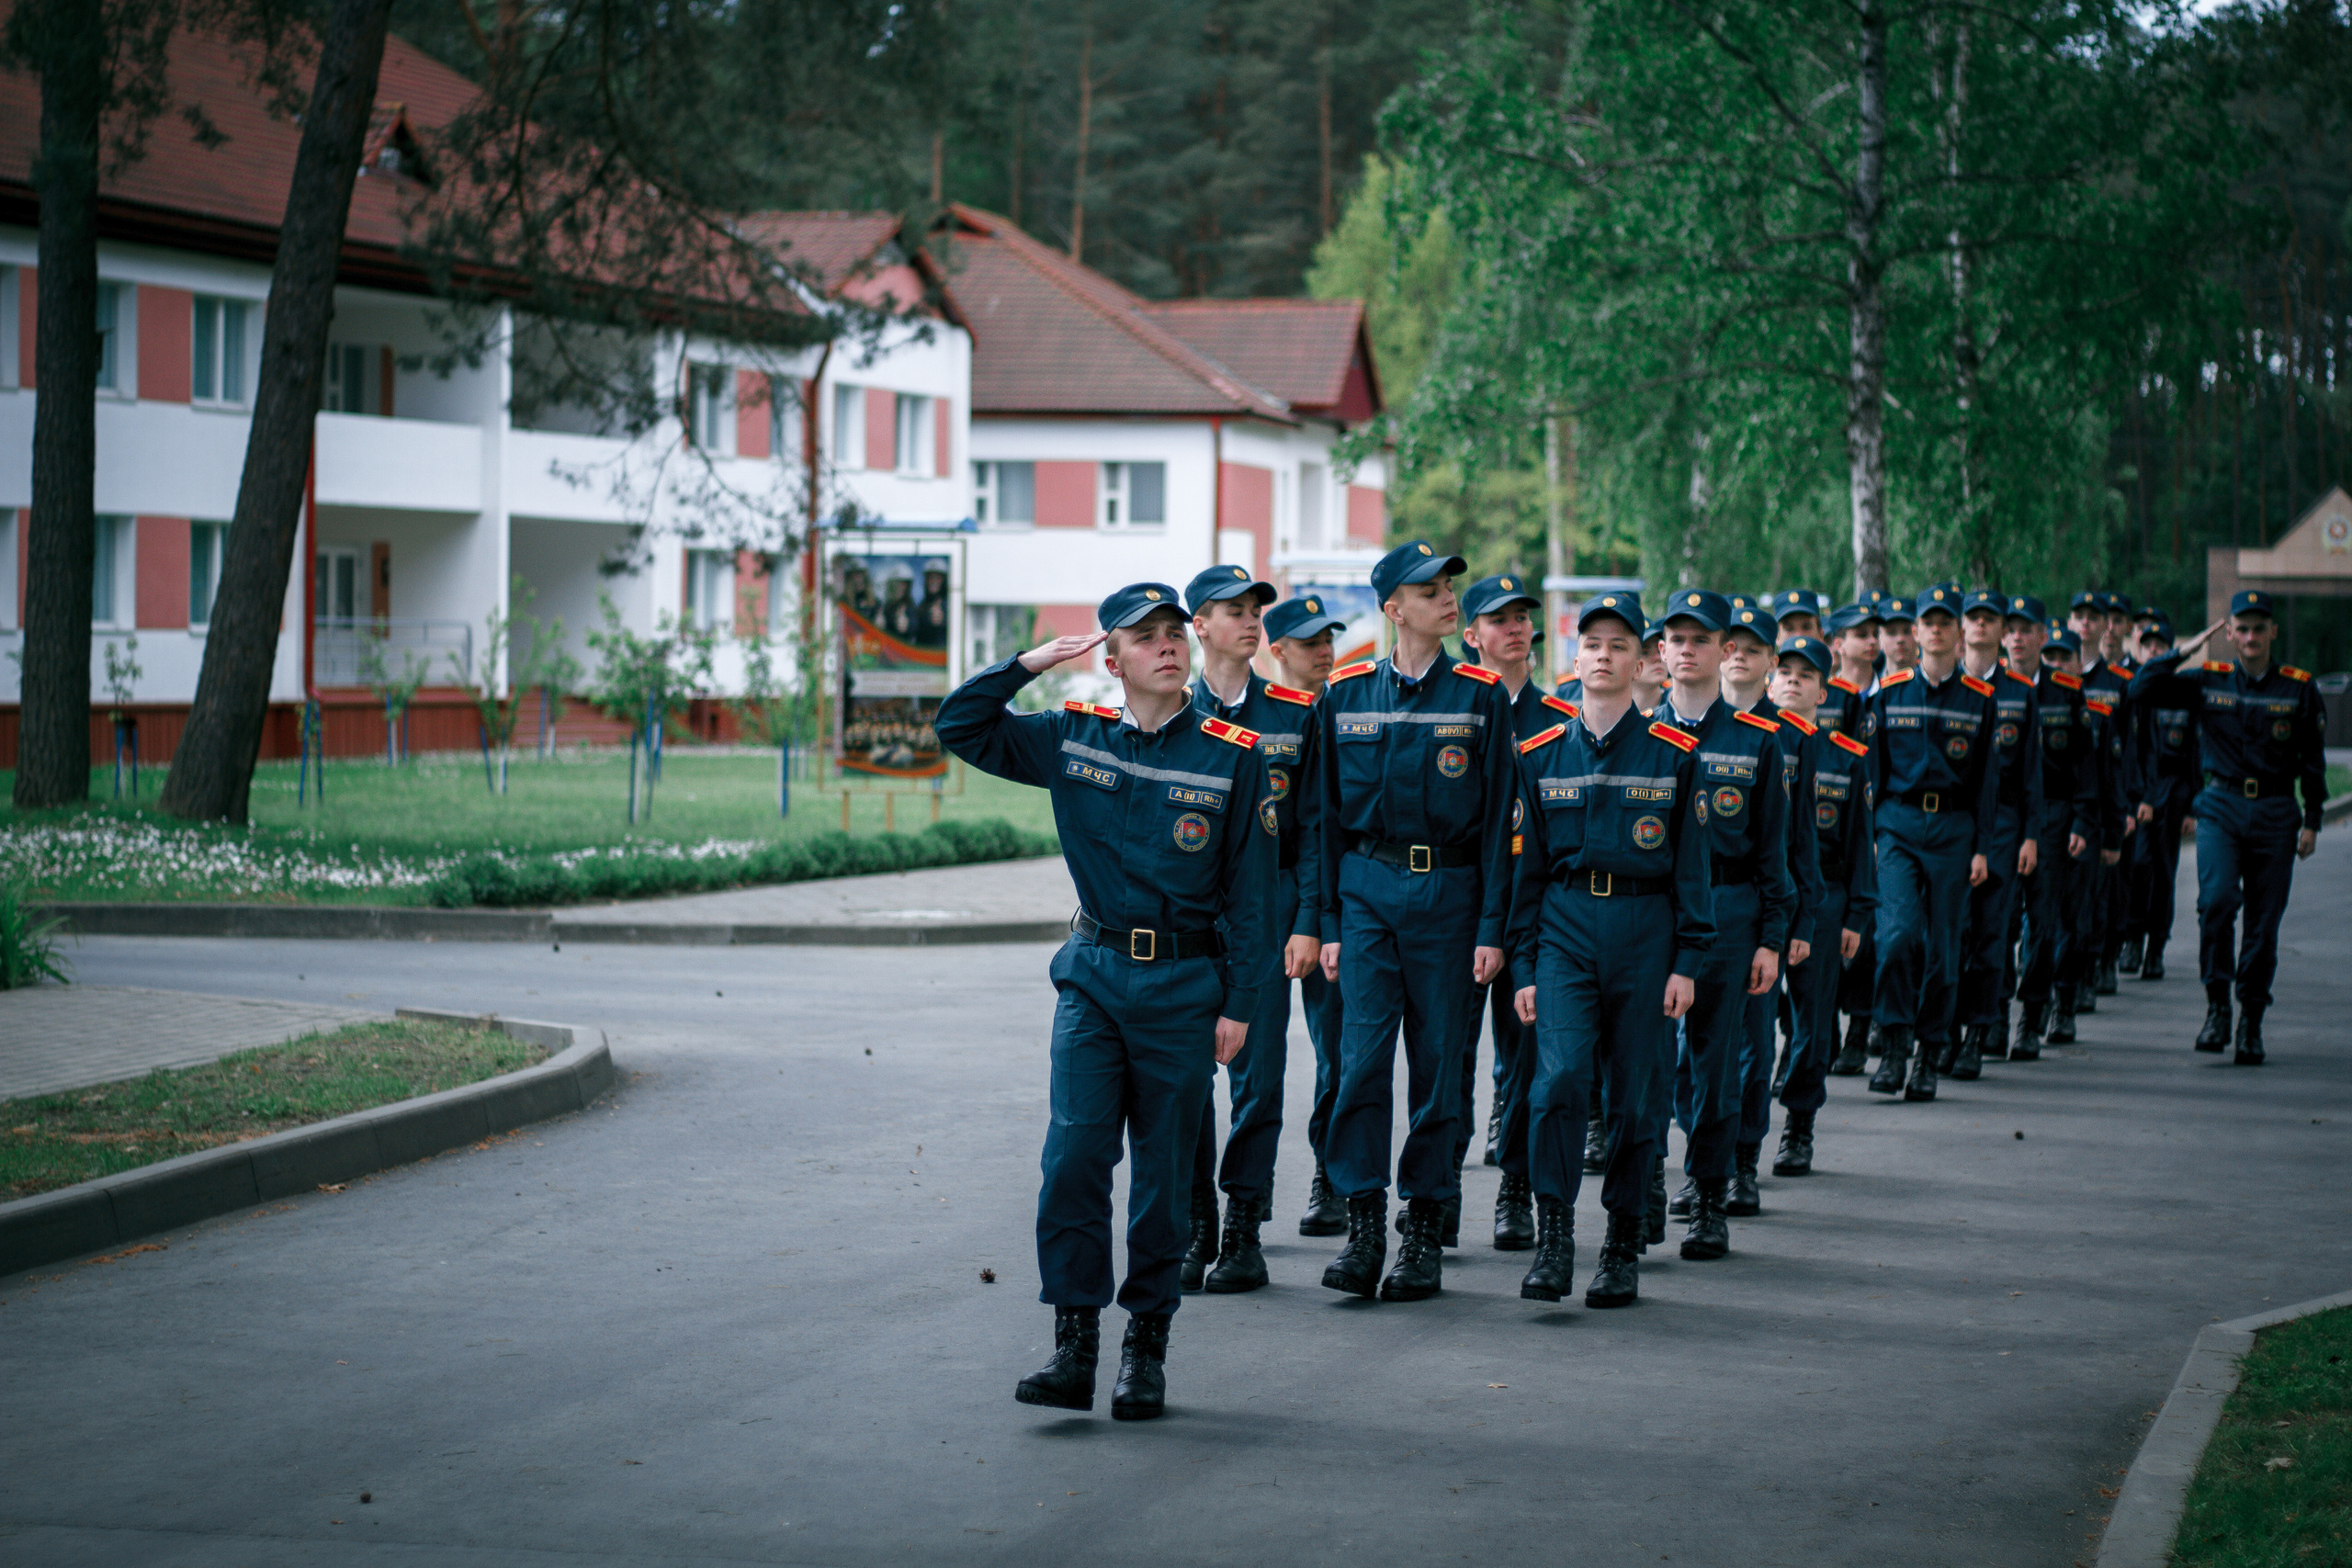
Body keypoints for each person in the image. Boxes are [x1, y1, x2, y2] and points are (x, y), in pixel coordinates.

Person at [936, 582, 1275, 1421]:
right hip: (1092, 975)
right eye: (1144, 636)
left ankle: (1144, 1353)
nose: (1166, 646)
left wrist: (1238, 1005)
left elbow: (1254, 899)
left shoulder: (1233, 754)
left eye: (1174, 633)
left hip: (1184, 990)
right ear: (1113, 655)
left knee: (1162, 1180)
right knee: (1074, 1161)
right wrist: (1024, 665)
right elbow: (960, 726)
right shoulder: (1072, 736)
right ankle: (1073, 1345)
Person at [1310, 541, 1517, 1302]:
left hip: (1452, 898)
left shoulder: (1479, 695)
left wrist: (1493, 926)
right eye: (1428, 589)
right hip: (1365, 896)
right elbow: (1323, 821)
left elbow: (1500, 822)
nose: (1446, 597)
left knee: (1438, 1070)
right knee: (1360, 1063)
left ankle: (1422, 1231)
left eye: (1448, 586)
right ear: (1393, 608)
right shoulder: (1346, 695)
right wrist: (1327, 919)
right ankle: (1365, 1227)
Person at [1507, 592, 1712, 1308]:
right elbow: (1525, 874)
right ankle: (1555, 1236)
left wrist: (1688, 960)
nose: (1603, 655)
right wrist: (1525, 965)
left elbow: (1693, 869)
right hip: (1564, 931)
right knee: (1558, 1082)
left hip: (1646, 931)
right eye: (1592, 643)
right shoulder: (1537, 754)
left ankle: (1621, 1240)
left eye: (1619, 645)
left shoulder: (1676, 755)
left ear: (1642, 660)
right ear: (1575, 656)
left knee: (1636, 1093)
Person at [2128, 592, 2325, 1063]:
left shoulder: (2298, 688)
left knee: (2262, 922)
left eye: (2260, 628)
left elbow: (2313, 763)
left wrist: (2313, 820)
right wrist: (2184, 651)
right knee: (2215, 903)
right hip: (2221, 804)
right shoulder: (2207, 680)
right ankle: (2217, 1004)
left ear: (2273, 632)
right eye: (2243, 628)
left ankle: (2250, 1019)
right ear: (2230, 633)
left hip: (2277, 811)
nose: (2252, 637)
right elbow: (2139, 690)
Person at [1654, 591, 1792, 1257]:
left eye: (1700, 639)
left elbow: (1773, 852)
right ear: (1661, 651)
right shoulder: (1638, 733)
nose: (1687, 649)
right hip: (1650, 916)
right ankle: (1652, 1180)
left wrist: (1771, 936)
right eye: (1675, 638)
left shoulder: (1757, 741)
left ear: (1725, 651)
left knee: (1716, 1062)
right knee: (1651, 1061)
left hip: (1730, 913)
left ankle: (1710, 1191)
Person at [1175, 565, 1295, 1295]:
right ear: (1200, 625)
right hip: (1191, 920)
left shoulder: (1292, 715)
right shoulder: (1170, 711)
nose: (1250, 620)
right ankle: (1197, 1226)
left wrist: (1308, 922)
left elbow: (1314, 832)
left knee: (1258, 1077)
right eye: (1232, 609)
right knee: (1188, 1080)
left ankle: (1245, 1230)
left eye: (1256, 609)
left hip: (1269, 914)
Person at [1456, 572, 1576, 1251]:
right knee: (1445, 1058)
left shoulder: (1558, 721)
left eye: (1522, 616)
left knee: (1527, 1055)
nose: (1515, 627)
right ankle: (1439, 1190)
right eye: (1497, 618)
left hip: (1530, 910)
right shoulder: (1458, 708)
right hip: (1462, 904)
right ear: (1471, 634)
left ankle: (1515, 1192)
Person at [1865, 584, 1997, 1101]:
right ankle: (1894, 1045)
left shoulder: (1981, 700)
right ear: (1915, 632)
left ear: (1959, 632)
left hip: (1953, 832)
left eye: (1947, 621)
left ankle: (1927, 1053)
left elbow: (1988, 781)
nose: (1937, 629)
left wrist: (1983, 846)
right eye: (1928, 622)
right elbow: (1872, 771)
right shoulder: (1890, 692)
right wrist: (1873, 835)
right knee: (1896, 936)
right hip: (1898, 825)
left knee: (1944, 948)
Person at [1715, 601, 1819, 1213]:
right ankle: (1702, 1155)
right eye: (1731, 646)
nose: (1739, 657)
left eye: (1752, 650)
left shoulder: (1791, 737)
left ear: (1769, 662)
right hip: (1691, 910)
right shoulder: (1681, 726)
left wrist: (1797, 924)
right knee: (1687, 1053)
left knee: (1753, 1049)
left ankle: (1740, 1163)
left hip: (1757, 908)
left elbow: (1800, 844)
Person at [1767, 633, 1873, 1174]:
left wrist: (1857, 912)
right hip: (1763, 896)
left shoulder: (1846, 758)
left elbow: (1858, 840)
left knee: (1815, 1017)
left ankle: (1799, 1125)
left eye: (1805, 675)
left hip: (1824, 898)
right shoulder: (1754, 742)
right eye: (1784, 671)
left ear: (1823, 693)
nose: (1792, 681)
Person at [1264, 593, 1351, 1240]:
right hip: (1265, 903)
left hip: (1333, 903)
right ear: (1277, 651)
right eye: (1307, 641)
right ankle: (1242, 1203)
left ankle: (1331, 1174)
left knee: (1337, 1051)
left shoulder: (1346, 710)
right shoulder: (1263, 718)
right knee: (1253, 1058)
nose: (1323, 650)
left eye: (1328, 638)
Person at [1951, 589, 2041, 1079]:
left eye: (1991, 619)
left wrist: (2030, 835)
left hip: (2005, 824)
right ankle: (1942, 1029)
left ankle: (1978, 1033)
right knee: (1948, 932)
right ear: (1962, 628)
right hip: (1954, 822)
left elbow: (2031, 775)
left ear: (2004, 630)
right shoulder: (1948, 687)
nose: (1981, 626)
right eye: (1974, 618)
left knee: (1991, 933)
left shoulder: (2020, 693)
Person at [2011, 623, 2101, 1057]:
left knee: (2045, 924)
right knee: (1995, 923)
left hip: (2054, 813)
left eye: (2025, 631)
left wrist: (2083, 821)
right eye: (2009, 630)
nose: (2016, 639)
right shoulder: (1994, 688)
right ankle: (1988, 1017)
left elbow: (2086, 761)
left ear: (2041, 638)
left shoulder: (2065, 690)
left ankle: (2032, 1015)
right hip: (2003, 817)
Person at [2122, 615, 2192, 981]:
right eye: (2147, 645)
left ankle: (2155, 948)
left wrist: (2192, 807)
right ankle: (2132, 937)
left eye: (2159, 646)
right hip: (2142, 789)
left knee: (2164, 870)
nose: (2152, 650)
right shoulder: (2137, 691)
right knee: (2138, 864)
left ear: (2170, 651)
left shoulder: (2183, 689)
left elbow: (2196, 750)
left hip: (2175, 789)